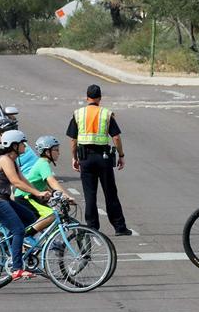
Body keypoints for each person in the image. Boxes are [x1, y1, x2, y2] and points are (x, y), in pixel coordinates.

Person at [0, 130, 51, 280]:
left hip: (1, 198)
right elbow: (15, 182)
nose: (25, 146)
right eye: (23, 143)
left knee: (30, 217)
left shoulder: (13, 160)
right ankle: (17, 268)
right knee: (18, 229)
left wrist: (39, 192)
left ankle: (11, 246)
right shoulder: (4, 159)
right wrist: (37, 194)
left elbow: (22, 179)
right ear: (15, 145)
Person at [67, 84, 131, 236]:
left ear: (86, 97)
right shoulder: (106, 114)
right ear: (100, 98)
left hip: (85, 158)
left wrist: (74, 158)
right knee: (110, 193)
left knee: (90, 194)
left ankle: (92, 227)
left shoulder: (78, 114)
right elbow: (115, 137)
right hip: (103, 158)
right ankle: (119, 227)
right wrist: (121, 155)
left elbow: (73, 140)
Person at [18, 136, 75, 228]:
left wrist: (54, 193)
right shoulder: (43, 164)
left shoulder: (43, 162)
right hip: (25, 196)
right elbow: (52, 181)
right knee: (50, 216)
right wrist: (66, 195)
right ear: (47, 152)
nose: (59, 153)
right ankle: (23, 235)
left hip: (31, 196)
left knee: (45, 219)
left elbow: (43, 185)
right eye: (56, 150)